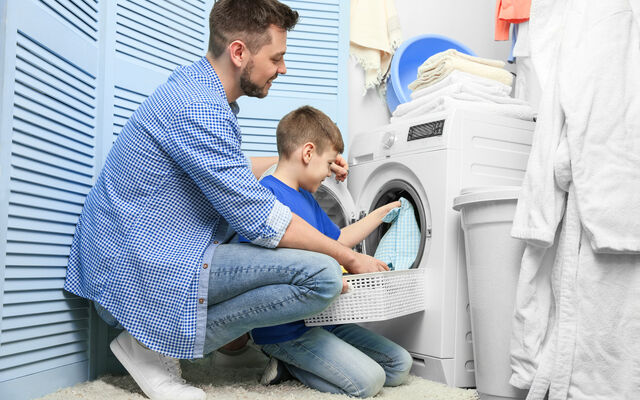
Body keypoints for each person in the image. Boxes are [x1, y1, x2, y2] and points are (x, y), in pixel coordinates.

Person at [63, 1, 388, 400]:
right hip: (136, 274)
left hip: (137, 258)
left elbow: (226, 168)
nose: (282, 69)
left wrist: (293, 162)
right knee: (322, 274)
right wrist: (349, 257)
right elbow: (266, 221)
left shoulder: (197, 89)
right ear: (239, 52)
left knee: (305, 258)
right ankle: (150, 345)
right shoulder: (199, 108)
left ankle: (162, 342)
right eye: (277, 57)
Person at [238, 105, 413, 398]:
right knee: (368, 383)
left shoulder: (307, 198)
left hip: (324, 320)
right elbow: (264, 267)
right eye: (329, 162)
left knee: (399, 365)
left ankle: (295, 366)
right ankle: (287, 361)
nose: (330, 171)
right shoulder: (265, 197)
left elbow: (339, 239)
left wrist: (384, 211)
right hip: (285, 331)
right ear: (308, 153)